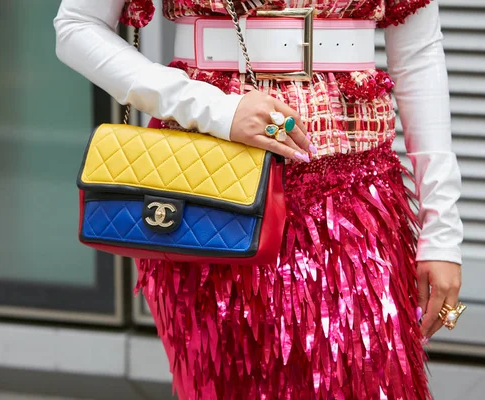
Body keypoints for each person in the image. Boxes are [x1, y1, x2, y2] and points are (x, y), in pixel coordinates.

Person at [55, 0, 464, 398]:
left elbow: (418, 55)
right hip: (210, 188)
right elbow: (77, 26)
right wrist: (216, 109)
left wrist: (442, 227)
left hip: (356, 199)